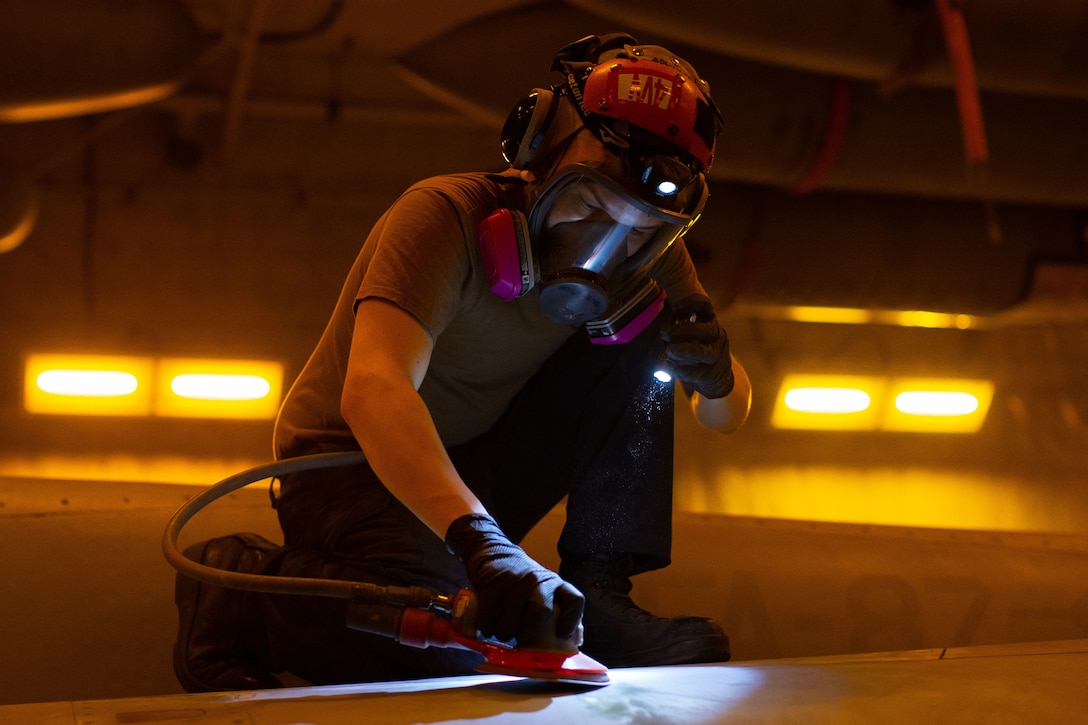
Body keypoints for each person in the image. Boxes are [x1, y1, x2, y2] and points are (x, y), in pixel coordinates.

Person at [173, 32, 752, 691]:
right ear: (541, 148)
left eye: (641, 229)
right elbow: (373, 388)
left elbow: (727, 415)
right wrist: (484, 545)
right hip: (345, 467)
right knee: (461, 650)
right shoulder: (442, 216)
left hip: (474, 459)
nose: (609, 243)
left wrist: (717, 375)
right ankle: (249, 605)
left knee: (651, 329)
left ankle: (604, 592)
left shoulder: (648, 253)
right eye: (588, 205)